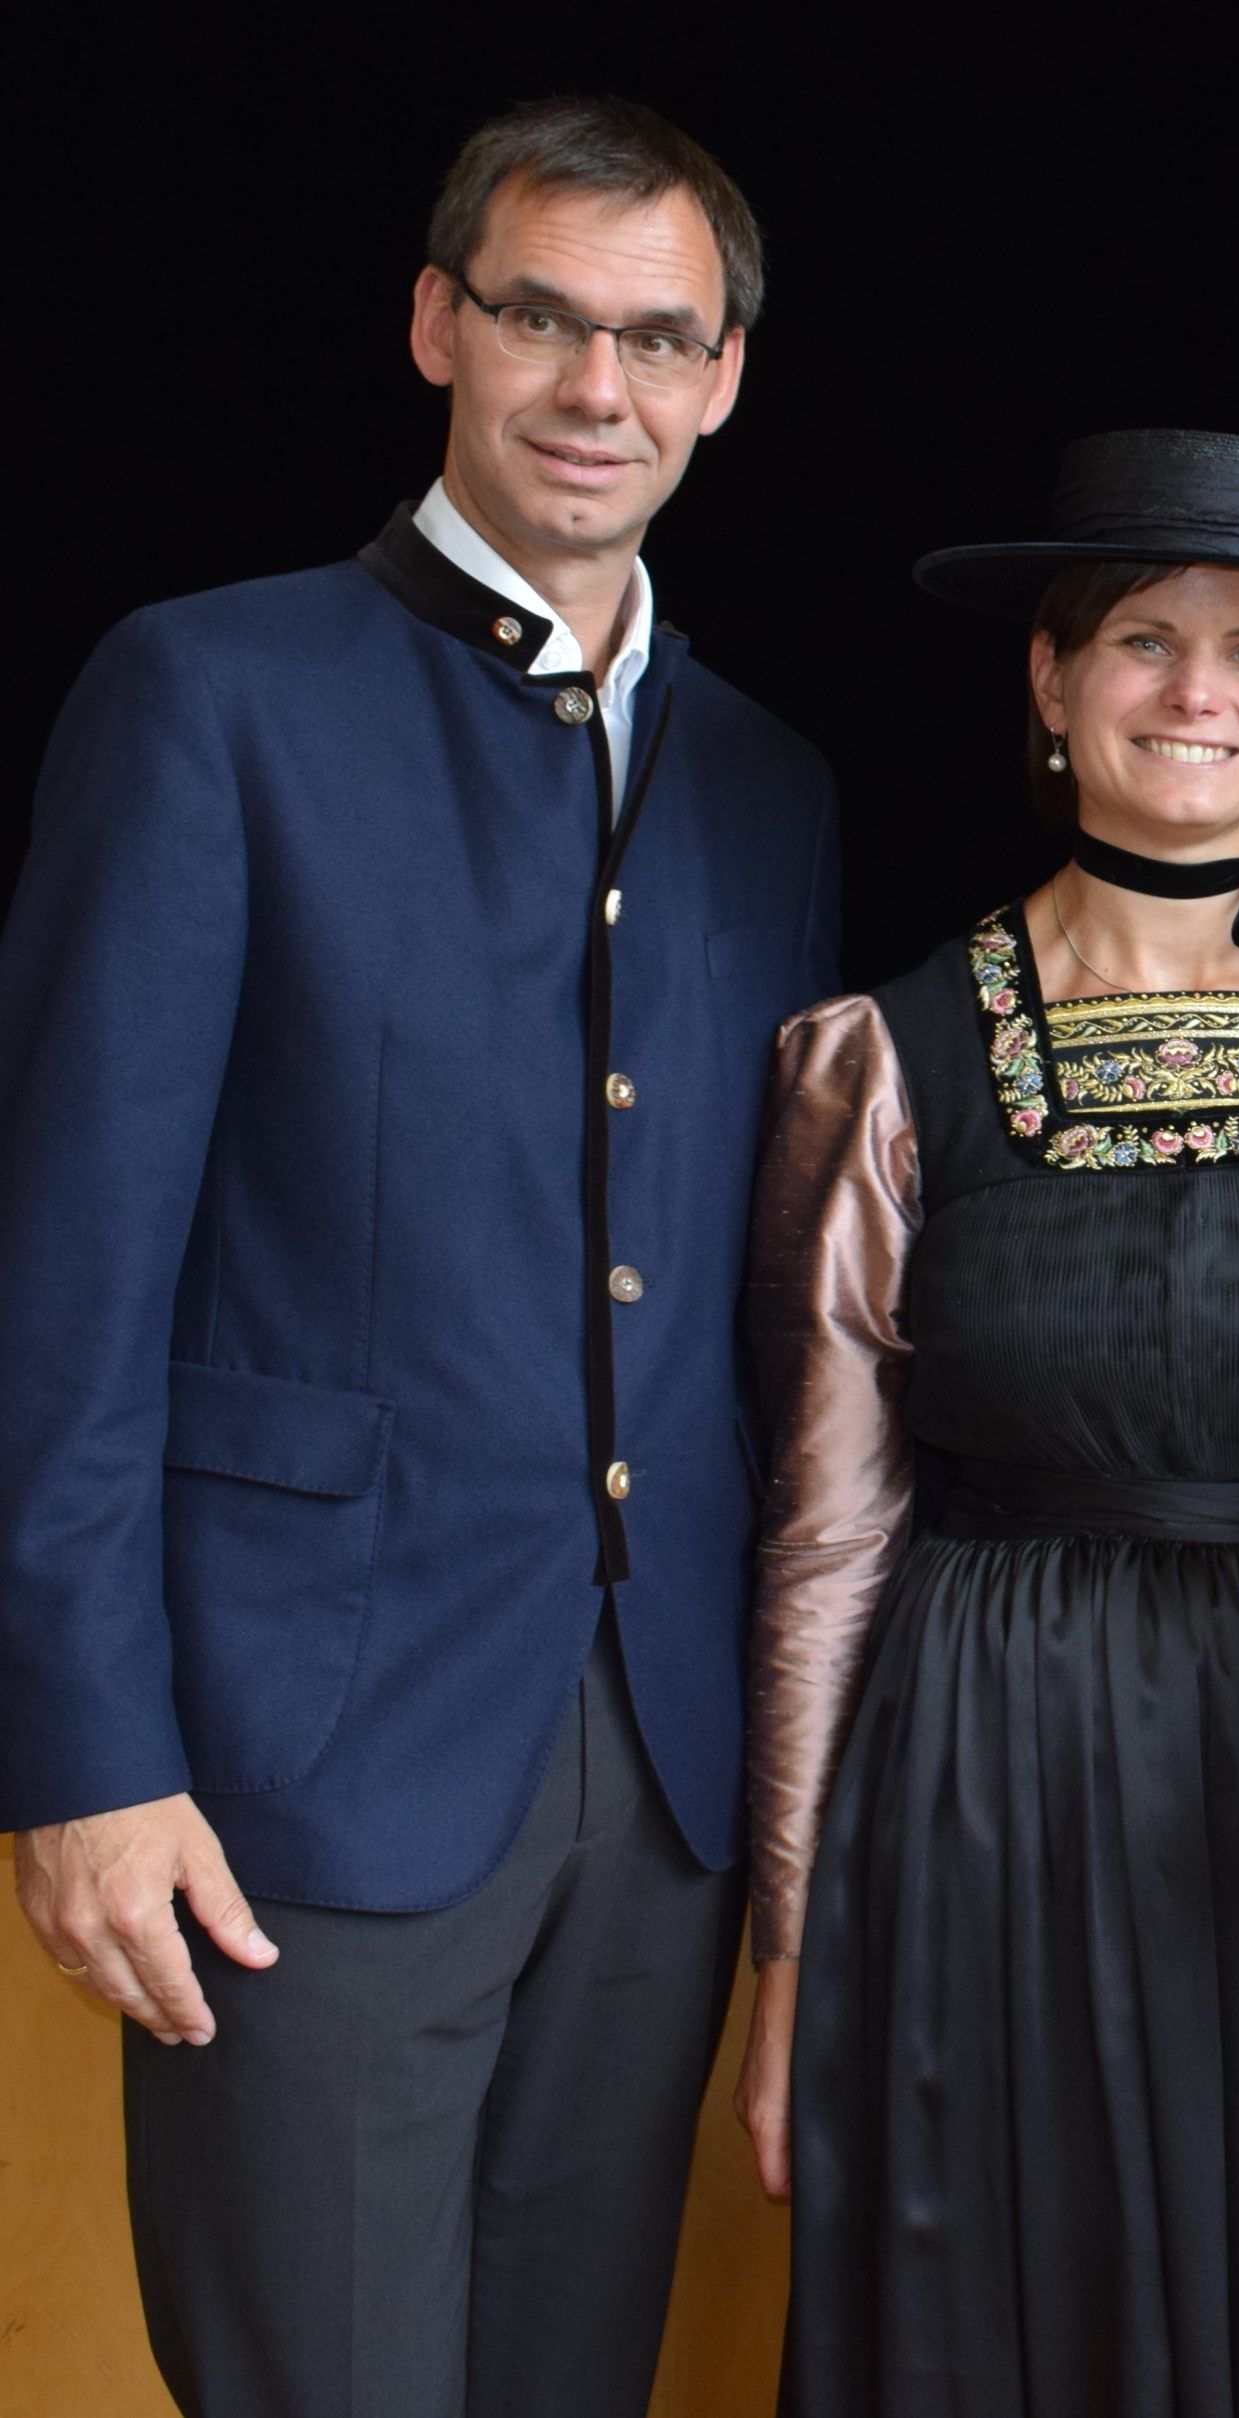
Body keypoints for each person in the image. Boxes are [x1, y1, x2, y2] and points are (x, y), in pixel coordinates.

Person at [0, 95, 835, 2418]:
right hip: (302, 1747)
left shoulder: (773, 783)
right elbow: (65, 1284)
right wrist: (83, 1755)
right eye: (544, 318)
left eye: (658, 337)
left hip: (657, 1782)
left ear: (727, 376)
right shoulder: (209, 693)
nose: (598, 389)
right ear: (435, 326)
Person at [732, 427, 1239, 2417]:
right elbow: (827, 1536)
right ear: (1051, 681)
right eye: (1145, 642)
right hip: (982, 1805)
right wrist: (791, 1963)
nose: (1199, 693)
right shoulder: (884, 1059)